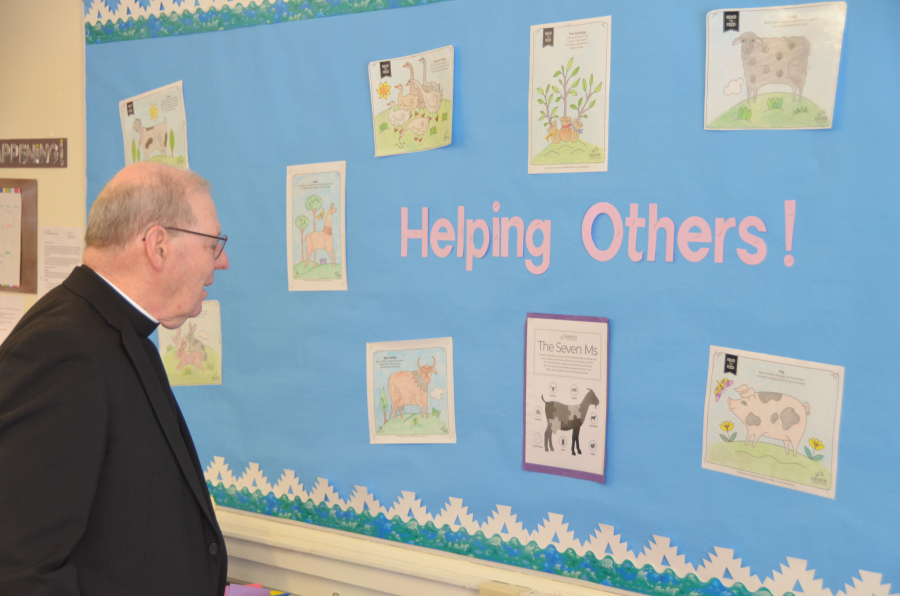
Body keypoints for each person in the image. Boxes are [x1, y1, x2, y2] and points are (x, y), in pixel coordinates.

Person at [0, 163, 230, 594]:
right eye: (213, 244)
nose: (223, 261)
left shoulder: (116, 331)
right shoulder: (63, 349)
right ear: (158, 245)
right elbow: (20, 568)